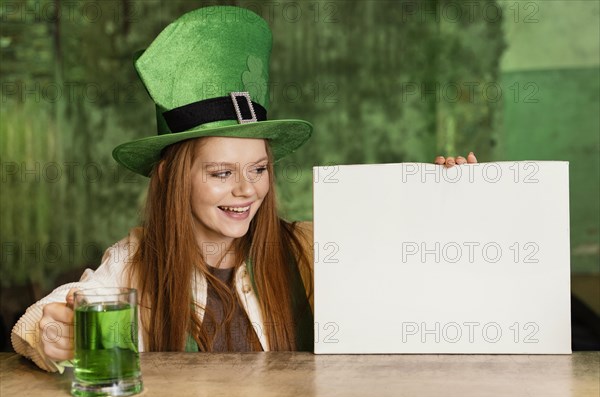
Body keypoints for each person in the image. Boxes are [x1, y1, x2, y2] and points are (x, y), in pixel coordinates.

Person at [11, 5, 477, 372]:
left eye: (258, 169)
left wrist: (453, 205)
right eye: (221, 173)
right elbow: (44, 316)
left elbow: (410, 273)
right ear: (171, 177)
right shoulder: (136, 261)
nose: (246, 190)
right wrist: (51, 336)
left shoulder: (309, 248)